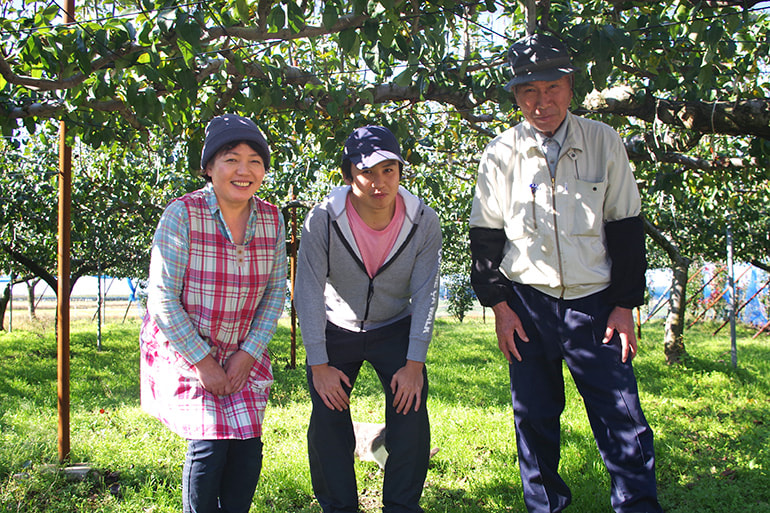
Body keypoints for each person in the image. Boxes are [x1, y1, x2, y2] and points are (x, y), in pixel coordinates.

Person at [469, 34, 664, 513]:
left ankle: (638, 506)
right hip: (528, 304)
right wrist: (499, 306)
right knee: (534, 419)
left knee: (623, 418)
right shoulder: (501, 153)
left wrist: (624, 304)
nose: (542, 102)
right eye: (529, 92)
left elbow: (626, 227)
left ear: (571, 87)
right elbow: (486, 239)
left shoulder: (603, 141)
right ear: (516, 96)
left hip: (595, 304)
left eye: (552, 87)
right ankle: (545, 507)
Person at [139, 113, 287, 513]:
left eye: (255, 161)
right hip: (186, 346)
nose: (244, 170)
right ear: (209, 168)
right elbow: (164, 299)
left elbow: (276, 293)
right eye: (231, 159)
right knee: (209, 445)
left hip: (241, 347)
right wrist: (205, 363)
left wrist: (246, 354)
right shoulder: (182, 215)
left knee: (246, 447)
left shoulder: (272, 219)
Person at [294, 125, 442, 513]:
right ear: (348, 176)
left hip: (394, 324)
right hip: (336, 326)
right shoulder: (322, 220)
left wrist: (415, 364)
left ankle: (401, 505)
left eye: (389, 171)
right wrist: (318, 363)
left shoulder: (424, 221)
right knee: (328, 416)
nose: (380, 183)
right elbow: (307, 290)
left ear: (400, 172)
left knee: (410, 413)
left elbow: (427, 292)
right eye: (367, 173)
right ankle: (338, 506)